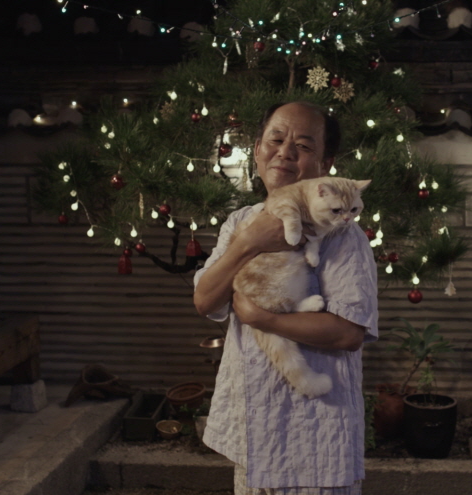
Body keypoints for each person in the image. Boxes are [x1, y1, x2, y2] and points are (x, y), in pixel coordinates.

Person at [193, 101, 379, 494]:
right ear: (257, 150)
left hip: (315, 433)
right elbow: (205, 300)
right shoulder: (239, 222)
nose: (285, 152)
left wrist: (265, 319)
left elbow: (349, 333)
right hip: (252, 429)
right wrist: (248, 242)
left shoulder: (343, 235)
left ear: (326, 165)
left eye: (304, 146)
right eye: (275, 139)